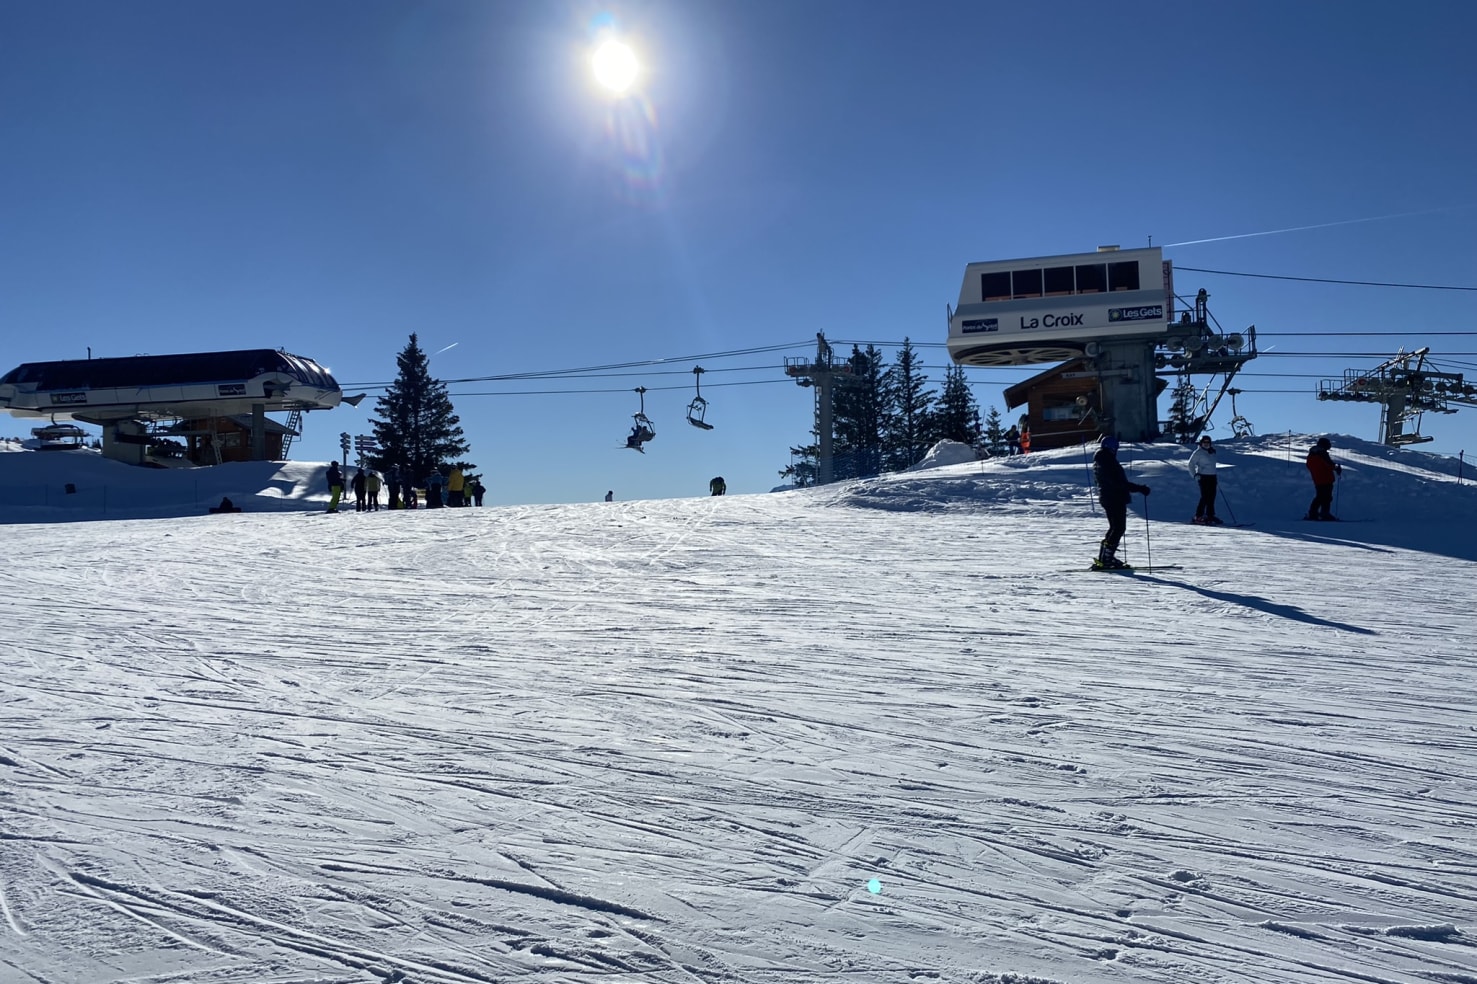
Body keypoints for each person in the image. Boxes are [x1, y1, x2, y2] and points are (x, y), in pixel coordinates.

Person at [1092, 434, 1150, 569]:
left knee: (1114, 528)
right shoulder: (1108, 461)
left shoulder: (1102, 460)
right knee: (1118, 528)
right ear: (1112, 448)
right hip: (1114, 497)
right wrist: (1139, 488)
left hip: (1108, 497)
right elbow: (1119, 483)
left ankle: (1105, 557)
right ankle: (1107, 559)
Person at [1305, 437, 1342, 520]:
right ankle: (1325, 513)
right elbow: (1328, 464)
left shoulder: (1312, 454)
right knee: (1326, 496)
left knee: (1320, 496)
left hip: (1317, 478)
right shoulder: (1322, 453)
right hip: (1326, 478)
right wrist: (1336, 468)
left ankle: (1313, 513)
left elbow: (1309, 465)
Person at [1187, 435, 1222, 525]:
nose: (1206, 444)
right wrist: (1194, 475)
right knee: (1205, 497)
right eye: (1204, 442)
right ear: (1201, 443)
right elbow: (1191, 464)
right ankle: (1198, 516)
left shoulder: (1212, 452)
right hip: (1203, 477)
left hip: (1212, 477)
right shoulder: (1198, 452)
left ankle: (1210, 515)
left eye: (1208, 442)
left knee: (1212, 497)